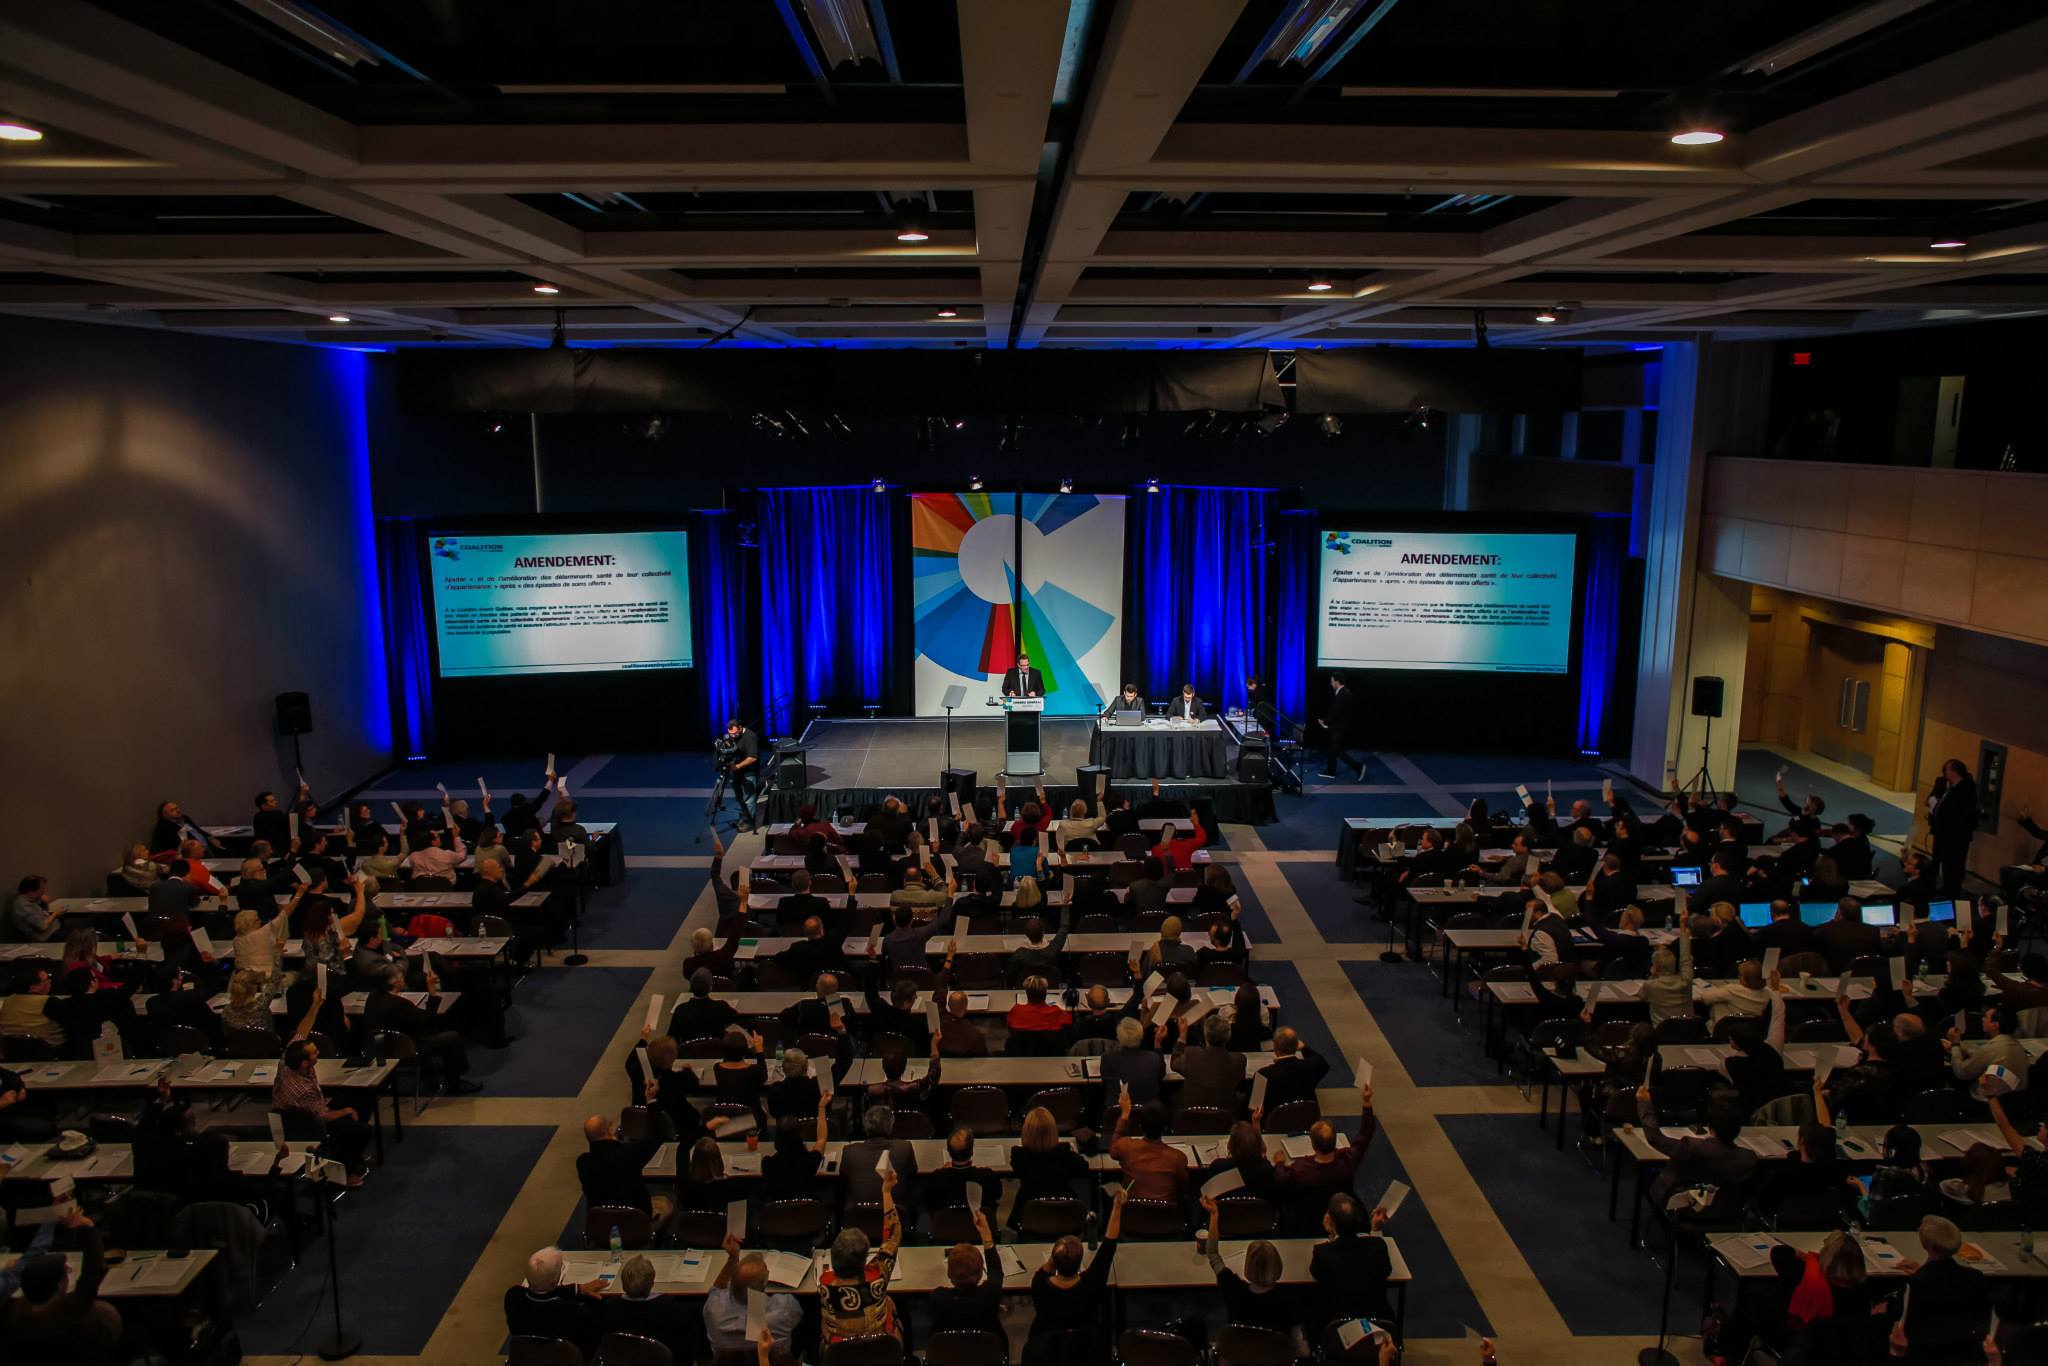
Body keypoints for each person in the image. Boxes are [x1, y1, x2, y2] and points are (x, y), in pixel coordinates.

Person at [1025, 1188, 1125, 1366]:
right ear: (1079, 1263)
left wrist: (1056, 1256)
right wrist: (1117, 1207)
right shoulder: (1093, 1281)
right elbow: (1109, 1244)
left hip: (1048, 1352)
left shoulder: (1040, 1284)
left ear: (1054, 1260)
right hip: (1086, 1349)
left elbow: (1045, 1269)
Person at [7, 1208, 121, 1363]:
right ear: (60, 1285)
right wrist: (88, 1228)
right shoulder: (68, 1310)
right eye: (66, 1272)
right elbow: (93, 1271)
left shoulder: (15, 1311)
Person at [362, 961, 481, 1094]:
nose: (403, 979)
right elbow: (428, 1020)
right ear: (395, 982)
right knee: (452, 1037)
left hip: (379, 1048)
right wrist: (432, 991)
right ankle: (454, 1083)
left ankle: (428, 1071)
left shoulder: (373, 997)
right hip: (406, 1047)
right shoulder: (399, 1004)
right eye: (401, 977)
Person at [819, 1163, 903, 1341]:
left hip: (838, 1352)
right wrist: (886, 1192)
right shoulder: (878, 1277)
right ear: (865, 1261)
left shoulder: (824, 1284)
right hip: (879, 1348)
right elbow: (893, 1237)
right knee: (892, 1303)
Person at [1199, 1194, 1301, 1340]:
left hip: (1241, 1349)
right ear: (1277, 1265)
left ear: (1248, 1266)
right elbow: (1297, 1341)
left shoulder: (1232, 1288)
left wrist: (1214, 1214)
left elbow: (1212, 1254)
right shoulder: (1287, 1300)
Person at [272, 1035, 371, 1183]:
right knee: (363, 1130)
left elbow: (299, 1034)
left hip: (311, 1109)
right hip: (309, 1123)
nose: (318, 1052)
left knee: (364, 1096)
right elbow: (323, 1117)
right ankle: (345, 1170)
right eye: (314, 1052)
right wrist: (347, 1110)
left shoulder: (284, 1065)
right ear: (305, 1063)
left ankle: (352, 1149)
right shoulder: (304, 1091)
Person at [1308, 1192, 1395, 1338]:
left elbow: (1316, 1273)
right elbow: (1385, 1270)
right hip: (1376, 1324)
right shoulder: (1378, 1246)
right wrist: (1376, 1230)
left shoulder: (1322, 1253)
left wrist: (1332, 1235)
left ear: (1330, 1222)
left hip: (1336, 1327)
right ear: (1359, 1220)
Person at [706, 1235, 802, 1363]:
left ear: (732, 1284)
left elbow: (716, 1290)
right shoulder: (785, 1308)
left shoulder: (714, 1310)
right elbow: (799, 1316)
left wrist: (732, 1259)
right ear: (765, 1283)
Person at [577, 1110, 670, 1219]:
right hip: (636, 1218)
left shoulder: (582, 1162)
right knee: (667, 1201)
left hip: (601, 1220)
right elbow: (659, 1134)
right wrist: (652, 1103)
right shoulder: (630, 1153)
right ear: (608, 1131)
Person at [929, 1208, 1005, 1336]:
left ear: (949, 1273)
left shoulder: (938, 1298)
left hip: (949, 1347)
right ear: (981, 1273)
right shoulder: (991, 1293)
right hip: (987, 1347)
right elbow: (995, 1269)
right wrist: (985, 1232)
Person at [1010, 1105, 1089, 1223]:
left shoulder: (1019, 1157)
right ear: (1053, 1131)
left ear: (1026, 1132)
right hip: (1065, 1214)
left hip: (1030, 1215)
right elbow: (1084, 1167)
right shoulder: (1065, 1154)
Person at [1109, 1093, 1189, 1202]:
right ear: (1165, 1128)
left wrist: (1125, 1114)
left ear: (1140, 1126)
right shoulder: (1178, 1158)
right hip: (1166, 1212)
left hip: (1132, 1211)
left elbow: (1113, 1147)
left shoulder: (1126, 1147)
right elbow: (1182, 1189)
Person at [923, 1126, 1001, 1218]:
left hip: (947, 1224)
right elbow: (997, 1194)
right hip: (979, 1223)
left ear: (949, 1151)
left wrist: (941, 1171)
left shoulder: (936, 1178)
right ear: (972, 1151)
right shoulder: (987, 1176)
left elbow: (927, 1198)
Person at [1174, 1013, 1245, 1114]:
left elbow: (1174, 1062)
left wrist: (1182, 1036)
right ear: (1228, 1036)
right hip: (1223, 1118)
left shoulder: (1191, 1055)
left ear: (1206, 1035)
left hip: (1191, 1117)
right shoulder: (1239, 1060)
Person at [1928, 758, 1980, 895]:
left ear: (1953, 772)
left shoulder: (1965, 788)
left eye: (1947, 770)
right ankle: (1946, 887)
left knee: (1953, 865)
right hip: (1945, 833)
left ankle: (1951, 890)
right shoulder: (1952, 787)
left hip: (1955, 835)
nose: (1945, 773)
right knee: (1946, 863)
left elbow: (1960, 813)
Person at [1101, 1016, 1166, 1108]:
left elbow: (1105, 1081)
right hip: (1147, 1112)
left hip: (1117, 1110)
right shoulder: (1153, 1058)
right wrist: (1157, 1043)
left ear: (1118, 1037)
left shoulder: (1108, 1058)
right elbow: (1161, 1075)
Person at [1260, 1028, 1330, 1111]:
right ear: (1297, 1045)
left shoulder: (1263, 1074)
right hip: (1306, 1114)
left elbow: (1254, 1106)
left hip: (1277, 1117)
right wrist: (1304, 1048)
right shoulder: (1311, 1066)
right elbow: (1322, 1062)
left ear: (1275, 1046)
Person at [1314, 673, 1366, 781]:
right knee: (1333, 750)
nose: (1331, 684)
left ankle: (1358, 767)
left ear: (1337, 682)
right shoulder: (1343, 692)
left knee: (1336, 750)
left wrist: (1325, 721)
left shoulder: (1343, 694)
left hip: (1339, 728)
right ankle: (1331, 772)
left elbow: (1337, 712)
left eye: (1332, 681)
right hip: (1338, 726)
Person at [721, 717, 763, 830]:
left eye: (734, 733)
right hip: (737, 771)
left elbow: (753, 757)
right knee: (739, 797)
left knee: (749, 797)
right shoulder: (734, 736)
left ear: (740, 728)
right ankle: (745, 817)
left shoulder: (751, 737)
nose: (733, 736)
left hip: (749, 771)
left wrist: (738, 766)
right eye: (730, 734)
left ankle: (750, 822)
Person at [7, 876, 58, 943]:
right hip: (47, 938)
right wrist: (56, 914)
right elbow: (43, 926)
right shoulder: (23, 906)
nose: (44, 892)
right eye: (42, 889)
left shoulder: (28, 899)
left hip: (53, 930)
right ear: (31, 891)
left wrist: (45, 903)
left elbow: (44, 913)